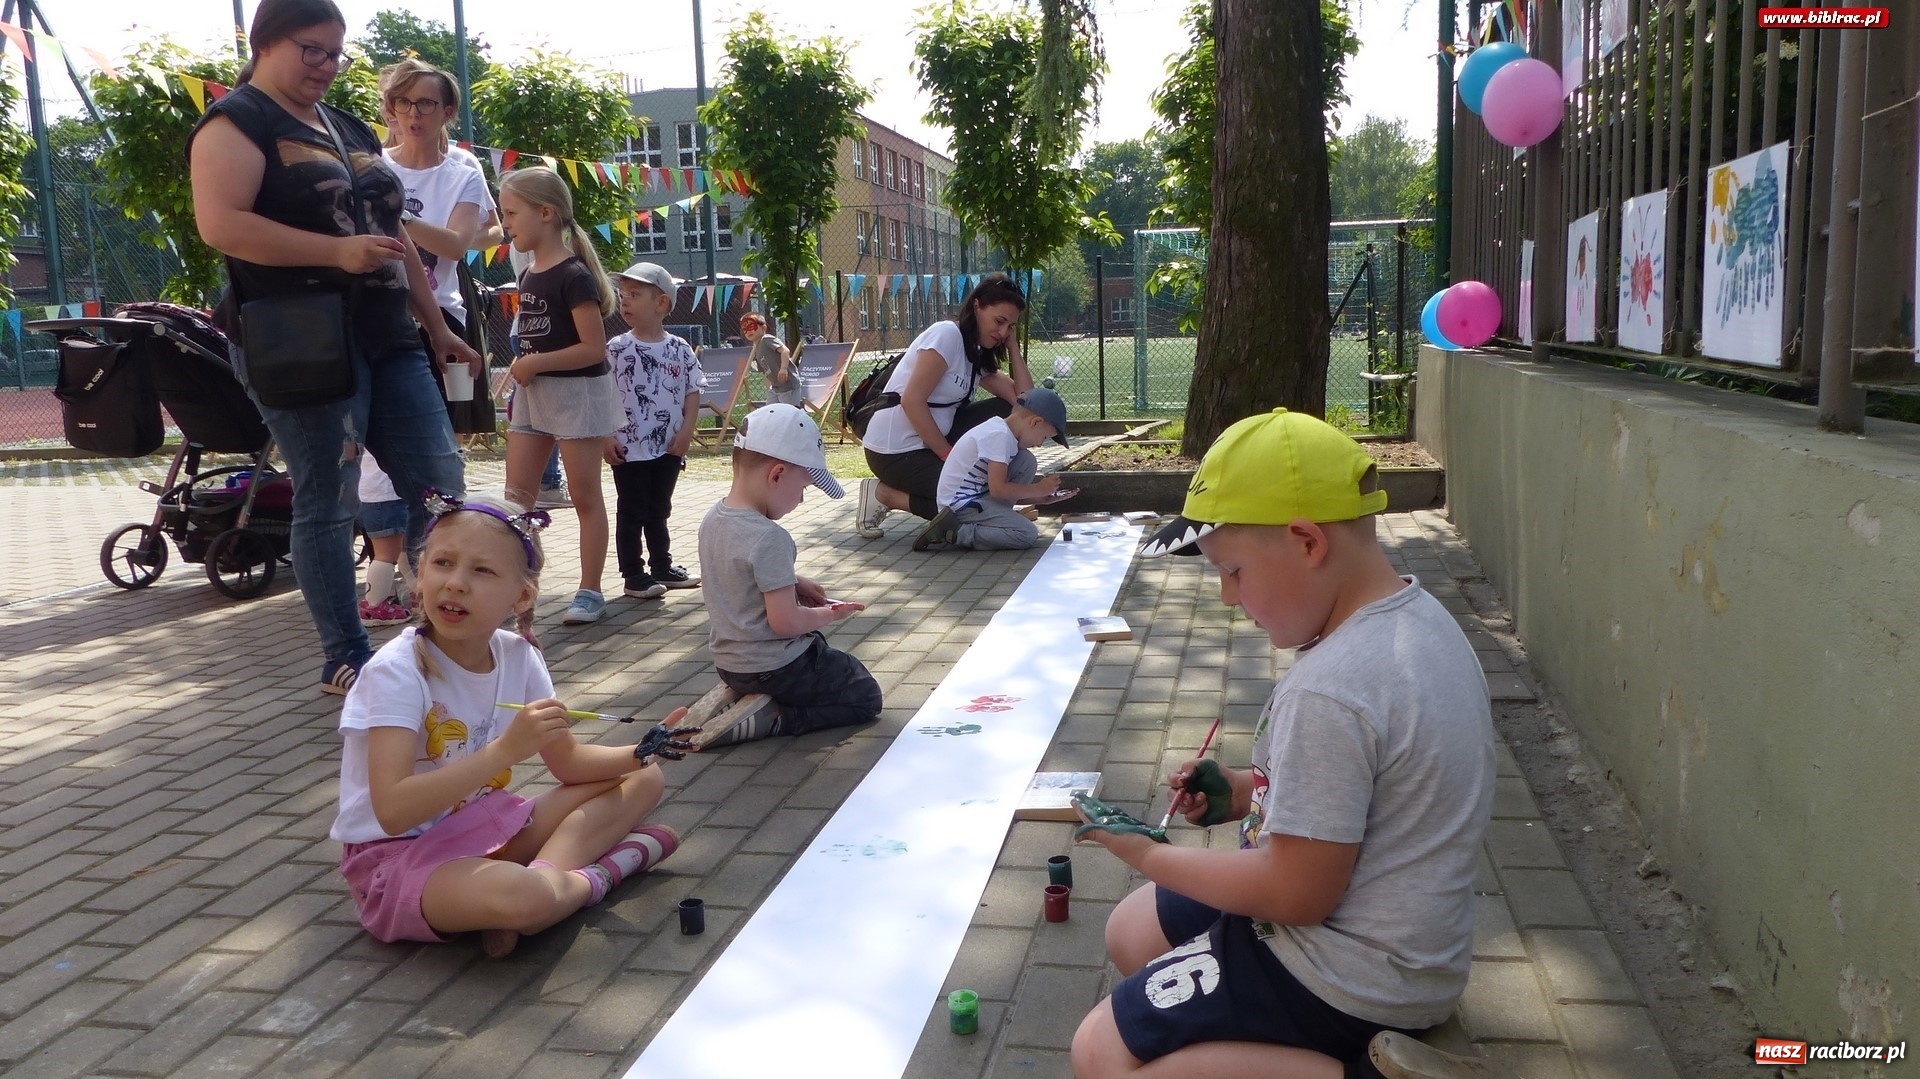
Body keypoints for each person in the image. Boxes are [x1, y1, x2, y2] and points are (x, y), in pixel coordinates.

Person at [1070, 408, 1504, 1079]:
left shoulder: (1332, 688)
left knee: (1099, 1053)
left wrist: (1149, 854)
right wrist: (1240, 790)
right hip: (1402, 945)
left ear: (1306, 542)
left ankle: (1365, 1071)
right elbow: (1361, 794)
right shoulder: (1416, 618)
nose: (1225, 597)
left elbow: (1295, 892)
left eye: (1235, 571)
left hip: (1349, 971)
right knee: (1131, 931)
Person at [188, 0, 475, 696]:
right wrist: (334, 251)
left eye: (335, 53)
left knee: (442, 488)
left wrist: (437, 326)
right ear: (264, 43)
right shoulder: (236, 121)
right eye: (310, 49)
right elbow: (220, 225)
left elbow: (393, 232)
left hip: (391, 335)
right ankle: (346, 656)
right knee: (328, 498)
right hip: (303, 344)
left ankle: (447, 634)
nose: (325, 65)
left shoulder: (343, 125)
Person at [329, 492, 680, 959]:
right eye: (443, 563)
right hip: (396, 858)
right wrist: (504, 752)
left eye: (482, 570)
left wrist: (645, 749)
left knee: (644, 778)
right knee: (524, 897)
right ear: (419, 572)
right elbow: (392, 810)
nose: (455, 583)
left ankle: (533, 896)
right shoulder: (396, 672)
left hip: (482, 832)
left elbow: (569, 764)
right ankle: (595, 878)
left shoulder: (519, 656)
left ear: (523, 594)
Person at [694, 405, 882, 747]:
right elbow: (785, 623)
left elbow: (737, 572)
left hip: (730, 665)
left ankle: (744, 698)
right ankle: (779, 718)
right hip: (776, 667)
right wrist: (830, 614)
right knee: (864, 694)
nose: (802, 499)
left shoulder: (713, 519)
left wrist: (793, 581)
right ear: (777, 474)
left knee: (821, 655)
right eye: (804, 488)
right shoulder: (771, 537)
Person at [496, 165, 622, 625]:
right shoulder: (528, 273)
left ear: (545, 213)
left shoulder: (573, 275)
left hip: (577, 396)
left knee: (585, 496)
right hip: (535, 397)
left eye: (511, 213)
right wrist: (528, 366)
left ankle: (590, 591)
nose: (505, 223)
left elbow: (592, 348)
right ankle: (519, 586)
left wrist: (536, 363)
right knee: (516, 499)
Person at [855, 274, 1034, 538]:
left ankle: (986, 512)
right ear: (976, 307)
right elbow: (912, 401)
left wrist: (1014, 349)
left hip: (932, 443)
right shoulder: (947, 335)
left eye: (1010, 326)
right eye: (999, 321)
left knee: (1008, 411)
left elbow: (1024, 401)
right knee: (958, 498)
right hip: (895, 451)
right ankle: (884, 494)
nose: (1003, 332)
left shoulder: (975, 353)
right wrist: (949, 456)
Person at [377, 56, 496, 428]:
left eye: (426, 104)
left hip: (440, 315)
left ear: (446, 112)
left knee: (436, 431)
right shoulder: (373, 164)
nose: (414, 114)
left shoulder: (464, 174)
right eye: (404, 102)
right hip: (377, 309)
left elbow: (455, 245)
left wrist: (398, 217)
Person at [605, 262, 703, 600]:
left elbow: (693, 390)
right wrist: (606, 436)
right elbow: (603, 393)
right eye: (622, 296)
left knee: (660, 508)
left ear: (661, 303)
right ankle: (633, 574)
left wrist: (687, 430)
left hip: (668, 447)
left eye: (634, 295)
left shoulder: (680, 348)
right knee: (631, 510)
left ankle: (662, 566)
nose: (625, 302)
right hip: (628, 448)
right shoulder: (617, 348)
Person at [914, 386, 1076, 552]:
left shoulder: (1004, 433)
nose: (1040, 444)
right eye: (1044, 437)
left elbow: (1000, 491)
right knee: (1025, 533)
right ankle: (957, 532)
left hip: (973, 499)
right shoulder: (999, 436)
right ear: (1035, 422)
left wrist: (1041, 498)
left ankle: (992, 519)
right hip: (959, 507)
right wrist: (1037, 488)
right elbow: (998, 490)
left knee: (1026, 460)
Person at [355, 447, 411, 627]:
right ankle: (374, 606)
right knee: (386, 556)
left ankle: (417, 592)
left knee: (400, 548)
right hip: (386, 494)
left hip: (370, 492)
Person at [740, 312, 800, 408]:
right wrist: (769, 388)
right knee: (770, 411)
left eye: (752, 326)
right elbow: (765, 372)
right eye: (744, 329)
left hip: (788, 386)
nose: (748, 331)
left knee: (789, 413)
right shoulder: (756, 348)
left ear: (763, 328)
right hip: (775, 388)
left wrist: (783, 368)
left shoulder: (766, 339)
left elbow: (785, 351)